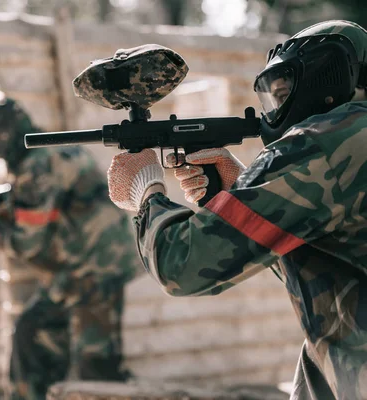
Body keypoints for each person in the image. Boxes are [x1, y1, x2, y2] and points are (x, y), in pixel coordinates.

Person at [106, 20, 367, 399]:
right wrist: (242, 192)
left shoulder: (324, 142)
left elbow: (182, 265)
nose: (276, 109)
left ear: (326, 76)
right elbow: (335, 259)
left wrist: (147, 191)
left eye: (284, 91)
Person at [0, 91, 141, 399]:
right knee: (31, 333)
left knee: (98, 369)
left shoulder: (38, 162)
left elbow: (29, 243)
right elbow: (41, 212)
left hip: (95, 270)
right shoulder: (37, 153)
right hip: (78, 270)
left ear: (3, 130)